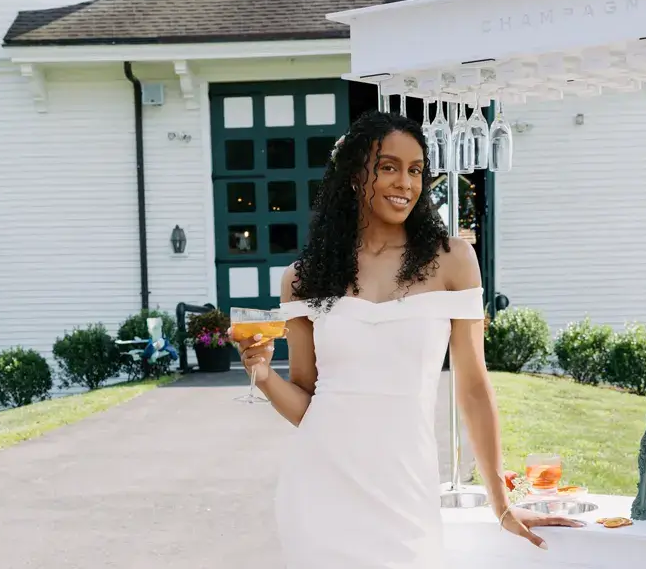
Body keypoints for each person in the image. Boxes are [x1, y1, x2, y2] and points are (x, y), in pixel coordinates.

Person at [239, 111, 581, 567]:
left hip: (407, 487)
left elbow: (475, 387)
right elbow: (307, 401)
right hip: (319, 488)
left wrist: (499, 501)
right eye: (388, 166)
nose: (405, 182)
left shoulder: (453, 260)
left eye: (416, 169)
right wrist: (261, 374)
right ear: (354, 174)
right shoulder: (303, 278)